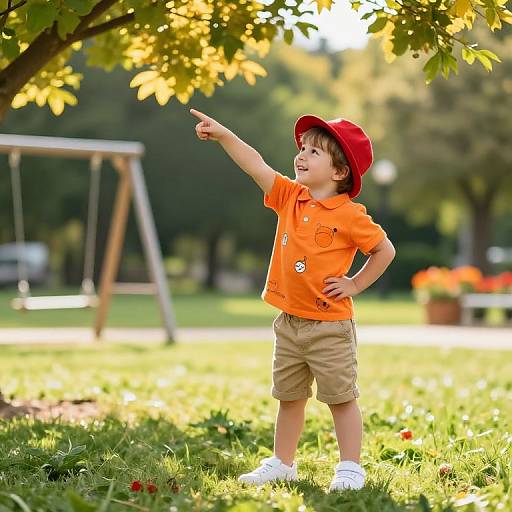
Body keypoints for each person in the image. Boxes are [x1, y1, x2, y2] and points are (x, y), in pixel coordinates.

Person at [190, 108, 396, 492]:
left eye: (314, 152)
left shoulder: (351, 215)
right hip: (288, 323)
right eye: (302, 148)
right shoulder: (290, 196)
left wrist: (354, 284)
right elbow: (255, 164)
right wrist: (224, 134)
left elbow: (384, 250)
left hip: (330, 326)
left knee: (341, 399)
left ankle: (350, 468)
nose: (301, 155)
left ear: (339, 172)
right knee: (289, 397)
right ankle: (283, 463)